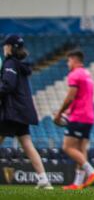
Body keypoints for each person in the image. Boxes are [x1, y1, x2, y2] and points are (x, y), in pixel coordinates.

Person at [0, 35, 53, 190]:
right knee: (27, 144)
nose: (4, 48)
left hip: (12, 111)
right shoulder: (20, 65)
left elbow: (8, 86)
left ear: (10, 47)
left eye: (5, 46)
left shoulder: (10, 63)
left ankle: (44, 180)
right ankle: (43, 179)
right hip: (22, 111)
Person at [54, 49, 94, 190]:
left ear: (74, 60)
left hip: (78, 117)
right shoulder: (87, 74)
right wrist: (68, 111)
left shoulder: (74, 75)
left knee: (67, 147)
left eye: (68, 61)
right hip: (89, 117)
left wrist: (59, 113)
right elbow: (82, 98)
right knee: (81, 149)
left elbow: (70, 97)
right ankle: (78, 183)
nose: (68, 64)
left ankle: (91, 171)